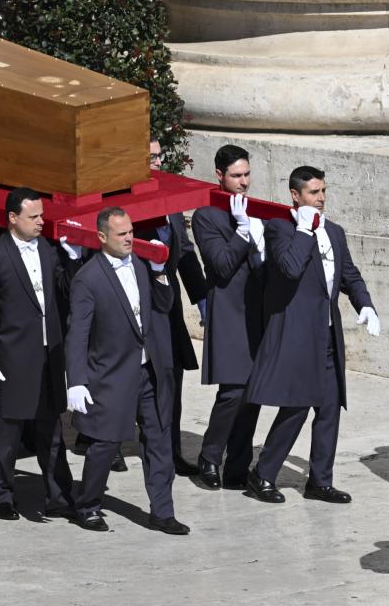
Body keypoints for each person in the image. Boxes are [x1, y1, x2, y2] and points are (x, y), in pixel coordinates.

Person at [245, 166, 381, 505]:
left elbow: (349, 273)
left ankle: (320, 481)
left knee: (329, 409)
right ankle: (262, 473)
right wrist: (304, 230)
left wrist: (365, 304)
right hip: (297, 334)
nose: (320, 199)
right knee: (296, 408)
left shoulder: (334, 231)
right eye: (312, 193)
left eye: (322, 192)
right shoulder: (280, 229)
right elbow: (289, 269)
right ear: (295, 195)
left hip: (328, 334)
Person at [66, 206, 188, 535]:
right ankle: (88, 505)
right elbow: (77, 333)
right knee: (105, 445)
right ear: (102, 237)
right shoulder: (88, 278)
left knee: (159, 441)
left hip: (148, 372)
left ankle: (163, 511)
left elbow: (162, 305)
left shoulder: (140, 264)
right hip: (111, 375)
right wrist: (76, 381)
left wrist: (161, 274)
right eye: (122, 234)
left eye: (131, 231)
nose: (129, 238)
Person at [0, 187, 75, 520]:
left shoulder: (47, 249)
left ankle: (59, 493)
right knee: (9, 430)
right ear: (13, 218)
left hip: (49, 355)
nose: (41, 222)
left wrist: (71, 262)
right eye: (34, 217)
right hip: (15, 358)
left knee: (52, 430)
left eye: (42, 215)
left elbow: (61, 294)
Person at [190, 144, 264, 490]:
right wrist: (241, 231)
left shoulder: (254, 209)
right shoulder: (207, 215)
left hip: (257, 311)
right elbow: (219, 264)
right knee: (233, 391)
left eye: (247, 174)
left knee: (253, 392)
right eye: (236, 175)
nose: (243, 182)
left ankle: (238, 464)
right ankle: (210, 454)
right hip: (229, 311)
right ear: (219, 175)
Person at [135, 139, 208, 477]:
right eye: (148, 157)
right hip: (135, 306)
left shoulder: (173, 202)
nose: (155, 162)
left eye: (158, 156)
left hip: (169, 305)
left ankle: (171, 450)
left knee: (172, 377)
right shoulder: (124, 203)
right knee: (132, 379)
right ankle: (95, 439)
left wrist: (202, 298)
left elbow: (186, 252)